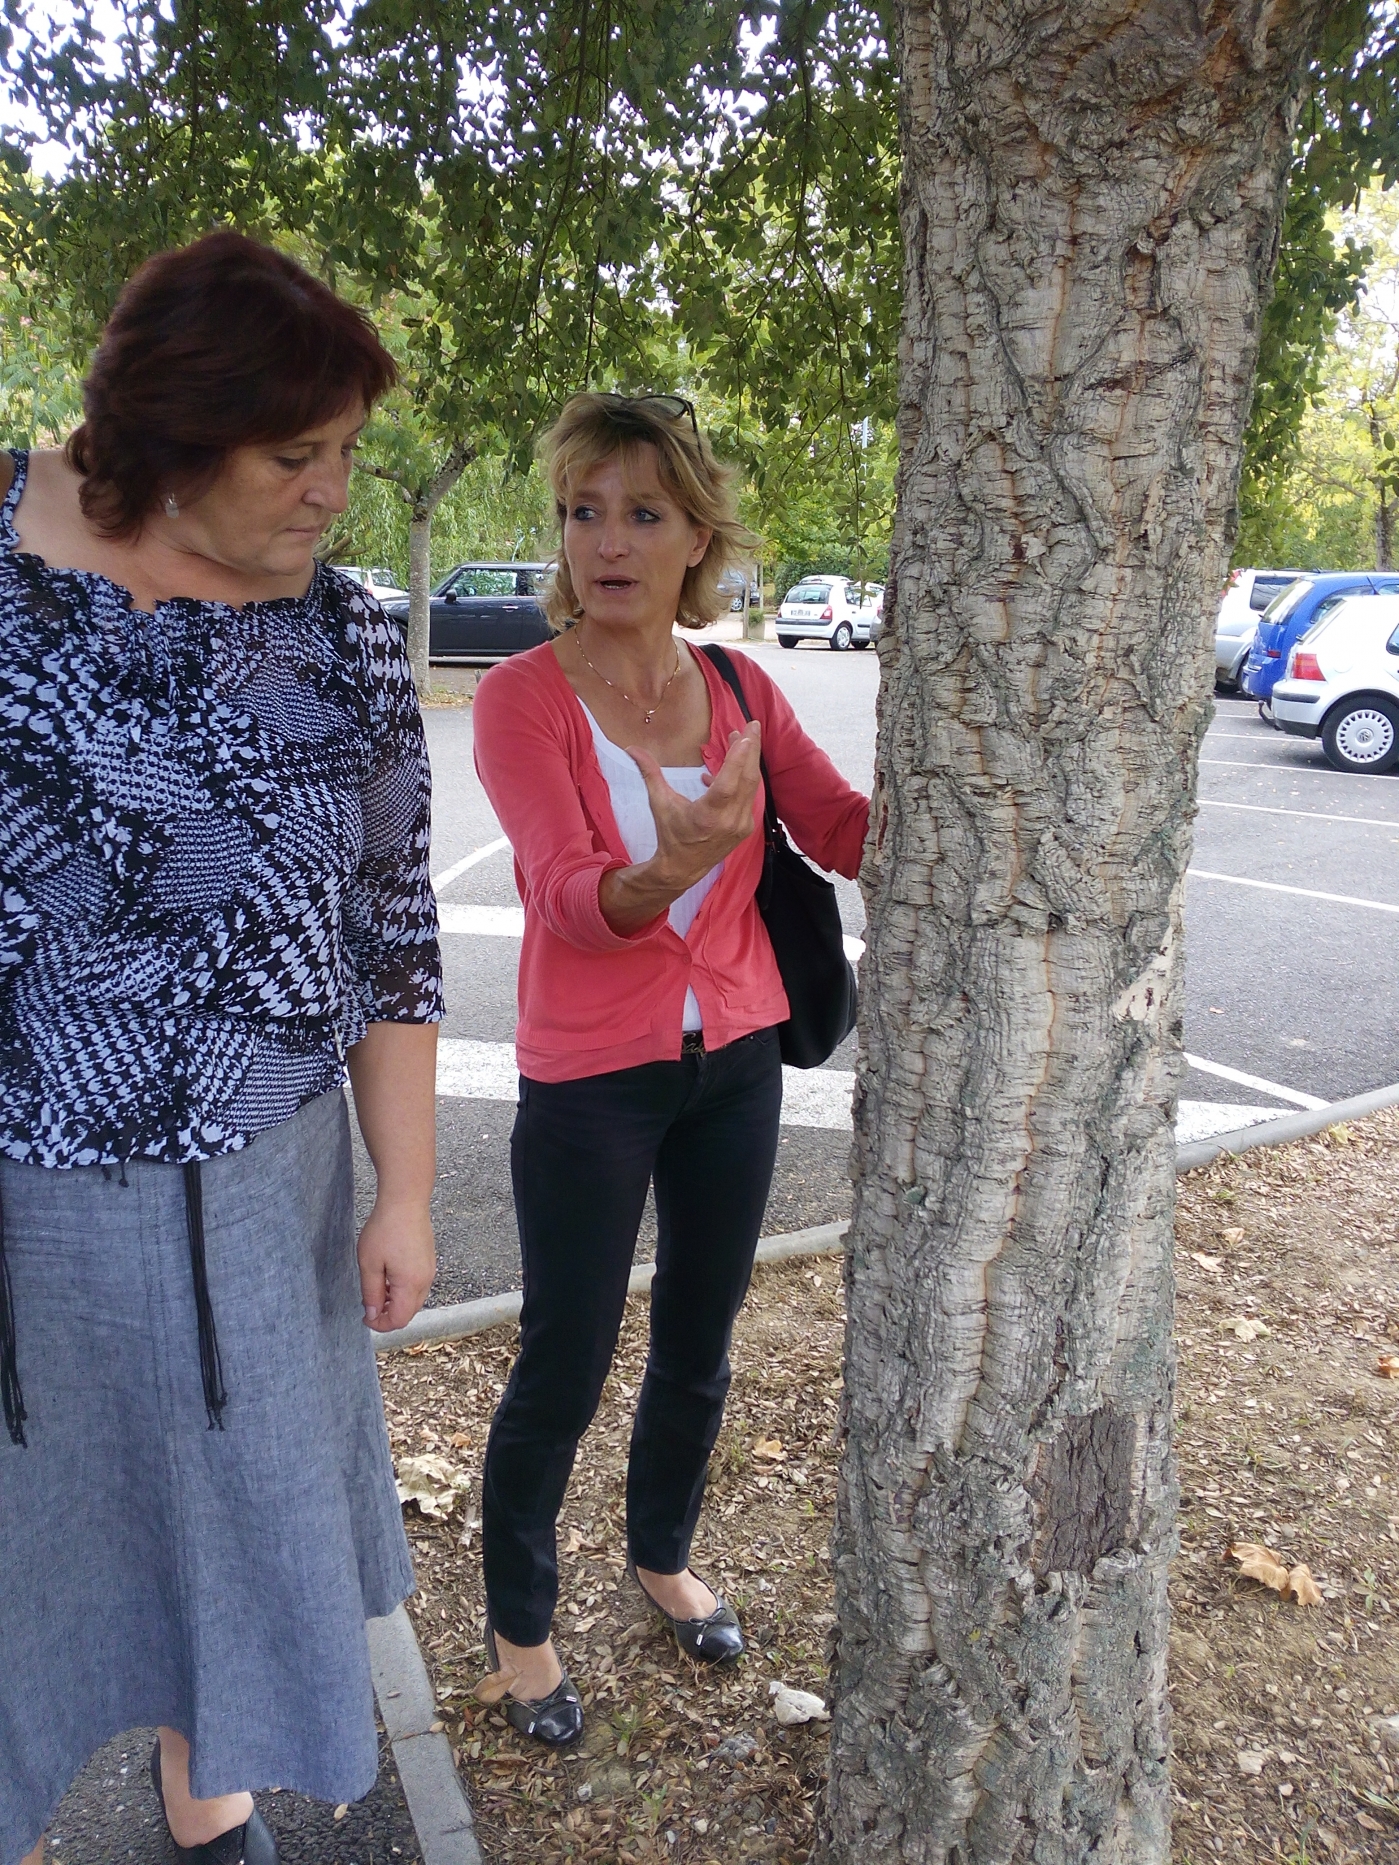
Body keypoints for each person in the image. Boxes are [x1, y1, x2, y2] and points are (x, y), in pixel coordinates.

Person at [0, 232, 442, 1865]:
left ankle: (213, 1807)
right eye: (294, 455)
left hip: (266, 1199)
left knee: (239, 1524)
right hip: (28, 1210)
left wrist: (407, 1191)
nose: (332, 491)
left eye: (348, 453)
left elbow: (395, 929)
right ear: (174, 443)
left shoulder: (340, 639)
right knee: (35, 1555)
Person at [470, 392, 869, 1746]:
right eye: (584, 511)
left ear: (698, 536)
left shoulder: (742, 689)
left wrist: (977, 794)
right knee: (566, 1356)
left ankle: (660, 1554)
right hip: (589, 1079)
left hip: (737, 1063)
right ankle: (522, 1625)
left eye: (643, 512)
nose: (608, 541)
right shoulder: (523, 698)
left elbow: (841, 827)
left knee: (700, 1339)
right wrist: (671, 866)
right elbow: (567, 896)